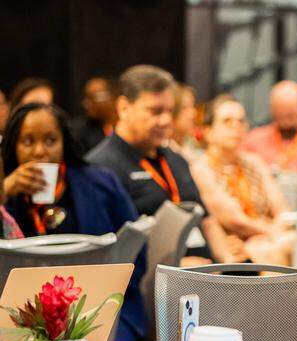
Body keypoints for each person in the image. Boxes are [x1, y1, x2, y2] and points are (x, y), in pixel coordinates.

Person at [1, 102, 149, 341]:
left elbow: (136, 251)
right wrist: (4, 192)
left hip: (100, 307)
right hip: (24, 314)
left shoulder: (102, 183)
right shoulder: (6, 195)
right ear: (13, 147)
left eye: (50, 141)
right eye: (27, 141)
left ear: (64, 143)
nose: (39, 151)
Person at [87, 65, 228, 261]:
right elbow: (110, 252)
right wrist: (175, 272)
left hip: (207, 273)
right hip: (156, 281)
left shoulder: (176, 159)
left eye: (170, 111)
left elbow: (207, 221)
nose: (165, 120)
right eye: (156, 111)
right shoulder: (100, 168)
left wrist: (230, 264)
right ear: (124, 108)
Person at [191, 98, 295, 265]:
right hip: (233, 246)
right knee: (277, 248)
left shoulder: (254, 162)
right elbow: (234, 220)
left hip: (269, 238)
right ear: (208, 131)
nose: (236, 127)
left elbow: (281, 207)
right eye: (227, 121)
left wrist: (274, 231)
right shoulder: (200, 168)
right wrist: (272, 232)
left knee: (292, 242)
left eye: (241, 121)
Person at [241, 81, 297, 174]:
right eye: (281, 113)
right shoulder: (253, 140)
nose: (287, 121)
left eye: (291, 114)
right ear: (272, 109)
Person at [70, 75, 118, 155]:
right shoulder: (79, 132)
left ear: (112, 97)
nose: (85, 103)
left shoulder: (128, 126)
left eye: (93, 97)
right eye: (86, 98)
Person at [169, 84, 204, 158]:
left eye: (193, 106)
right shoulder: (163, 152)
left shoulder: (192, 148)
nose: (194, 113)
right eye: (185, 108)